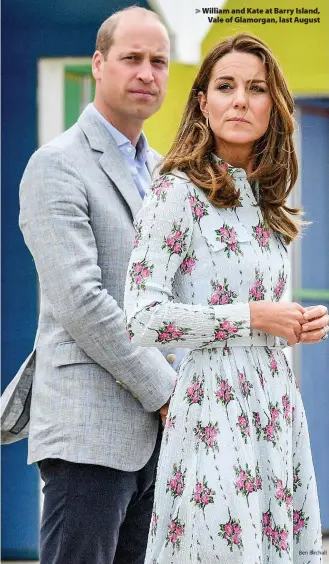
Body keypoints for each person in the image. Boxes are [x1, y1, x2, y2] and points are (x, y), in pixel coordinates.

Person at [124, 33, 328, 563]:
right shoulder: (174, 193)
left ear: (272, 106)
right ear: (203, 102)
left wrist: (295, 323)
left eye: (256, 88)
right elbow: (142, 317)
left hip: (275, 403)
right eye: (226, 86)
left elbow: (260, 314)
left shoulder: (270, 202)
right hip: (212, 406)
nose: (240, 99)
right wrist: (252, 316)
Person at [1, 6, 184, 564]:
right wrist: (167, 392)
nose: (146, 73)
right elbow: (81, 301)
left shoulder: (164, 173)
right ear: (99, 64)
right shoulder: (55, 166)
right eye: (132, 58)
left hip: (162, 439)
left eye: (159, 62)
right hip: (90, 432)